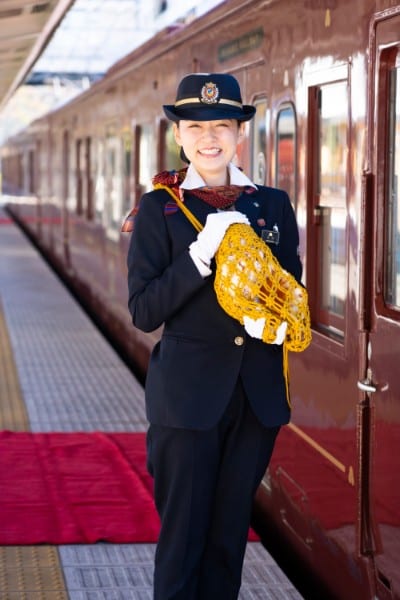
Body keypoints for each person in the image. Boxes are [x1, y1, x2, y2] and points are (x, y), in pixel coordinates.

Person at [125, 72, 303, 600]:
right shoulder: (159, 209)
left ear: (239, 135)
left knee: (228, 541)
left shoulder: (271, 205)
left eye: (222, 125)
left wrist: (270, 315)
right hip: (186, 401)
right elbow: (143, 310)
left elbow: (291, 291)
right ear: (179, 136)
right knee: (183, 541)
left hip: (255, 398)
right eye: (197, 127)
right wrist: (200, 257)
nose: (210, 138)